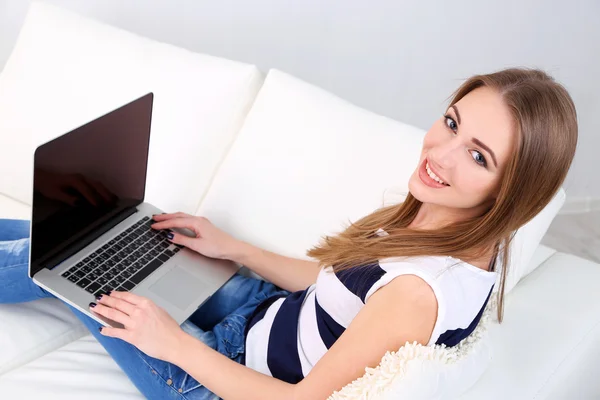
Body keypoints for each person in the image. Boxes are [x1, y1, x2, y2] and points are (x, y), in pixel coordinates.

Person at [0, 68, 577, 399]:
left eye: (477, 156)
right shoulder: (458, 234)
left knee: (72, 269)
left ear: (512, 189)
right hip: (267, 313)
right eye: (451, 123)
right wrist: (234, 248)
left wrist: (170, 343)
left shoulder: (418, 293)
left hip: (221, 379)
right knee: (123, 232)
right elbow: (345, 288)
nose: (440, 155)